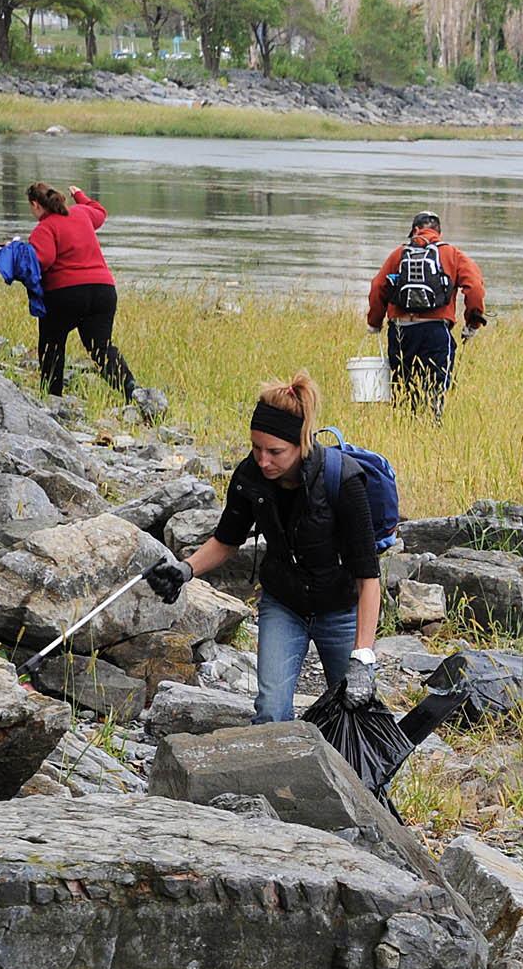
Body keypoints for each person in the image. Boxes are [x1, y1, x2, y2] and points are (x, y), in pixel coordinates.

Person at [145, 373, 383, 724]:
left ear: (301, 443)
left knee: (355, 708)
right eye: (256, 448)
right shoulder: (250, 476)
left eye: (275, 452)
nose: (263, 460)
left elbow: (368, 577)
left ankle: (368, 780)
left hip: (341, 608)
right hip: (284, 604)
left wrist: (363, 656)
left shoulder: (343, 480)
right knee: (271, 711)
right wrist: (185, 569)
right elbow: (227, 541)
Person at [26, 181, 152, 412]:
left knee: (52, 343)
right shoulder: (82, 213)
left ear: (35, 205)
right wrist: (80, 196)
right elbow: (100, 213)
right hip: (103, 291)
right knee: (101, 348)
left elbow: (43, 260)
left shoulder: (44, 228)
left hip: (65, 294)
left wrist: (20, 251)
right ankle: (132, 391)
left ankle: (52, 399)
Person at [366, 211, 486, 417]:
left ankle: (403, 432)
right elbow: (474, 287)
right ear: (439, 232)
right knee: (434, 392)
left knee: (402, 391)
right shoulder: (453, 255)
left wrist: (374, 322)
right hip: (436, 332)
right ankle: (430, 430)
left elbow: (378, 286)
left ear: (415, 230)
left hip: (401, 332)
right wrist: (472, 323)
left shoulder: (398, 254)